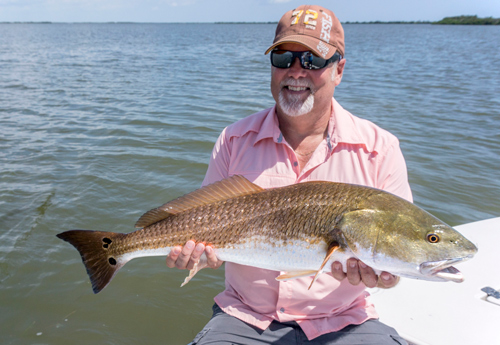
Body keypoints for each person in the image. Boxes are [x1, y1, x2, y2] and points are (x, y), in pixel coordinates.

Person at [167, 4, 412, 344]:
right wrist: (195, 253)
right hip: (245, 317)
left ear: (339, 70)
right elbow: (201, 220)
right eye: (284, 58)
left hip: (344, 321)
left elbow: (397, 258)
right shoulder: (233, 140)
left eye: (312, 61)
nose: (296, 72)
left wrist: (387, 276)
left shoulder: (380, 150)